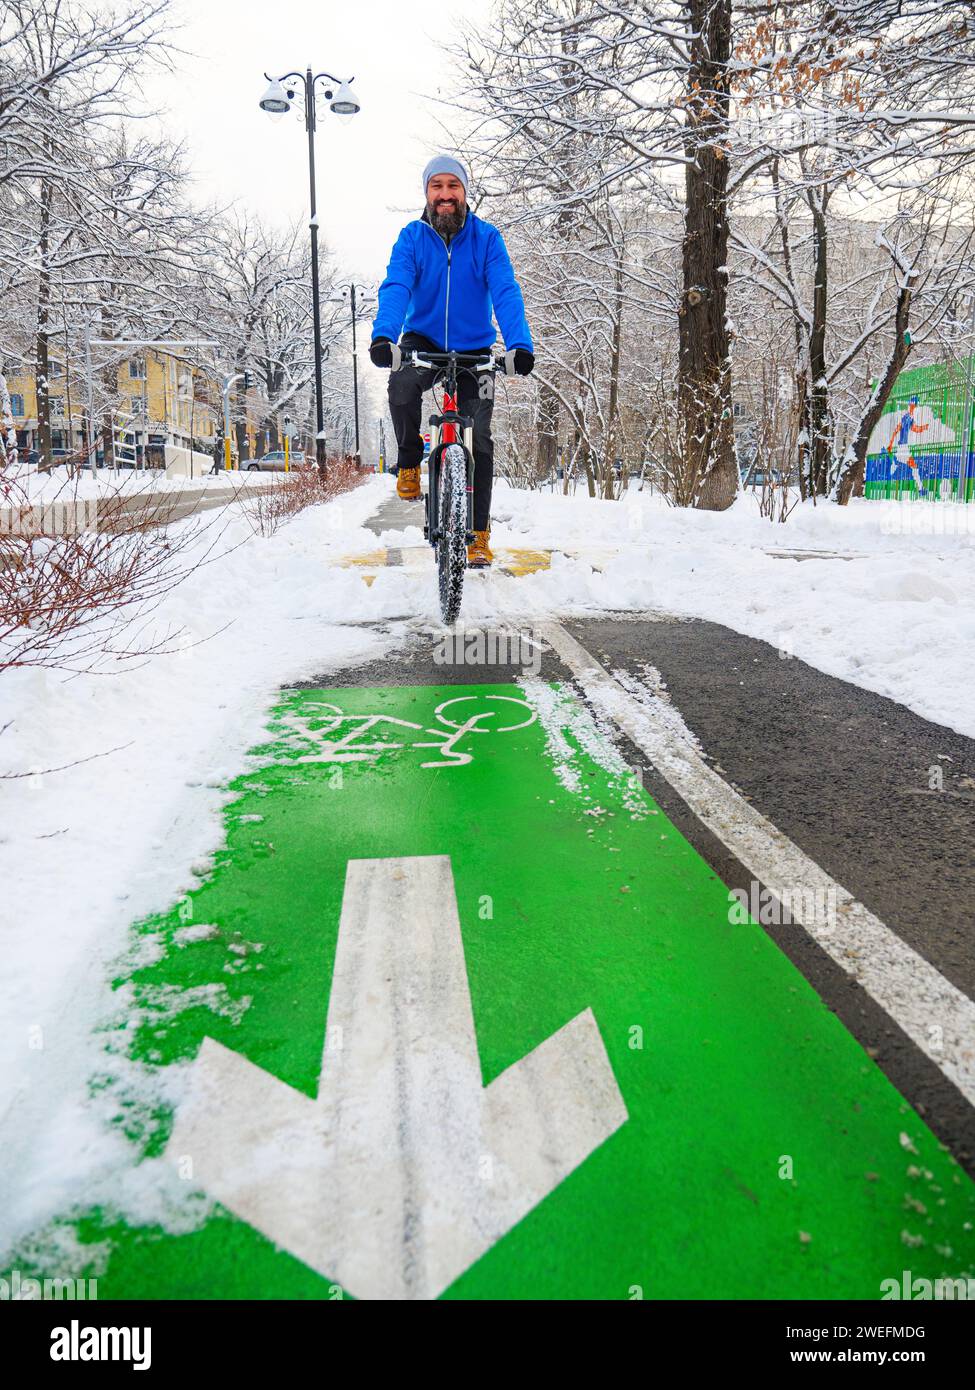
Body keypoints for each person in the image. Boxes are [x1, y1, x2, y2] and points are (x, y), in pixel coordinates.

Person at [369, 155, 534, 568]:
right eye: (437, 186)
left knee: (479, 435)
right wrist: (384, 337)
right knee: (401, 386)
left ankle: (478, 534)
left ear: (465, 191)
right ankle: (409, 462)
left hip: (475, 350)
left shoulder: (486, 239)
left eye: (453, 186)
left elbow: (505, 290)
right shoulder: (412, 237)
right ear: (426, 192)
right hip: (421, 344)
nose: (445, 195)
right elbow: (396, 285)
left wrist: (519, 344)